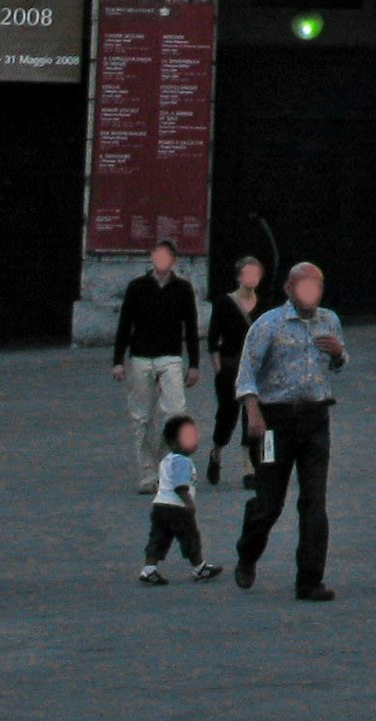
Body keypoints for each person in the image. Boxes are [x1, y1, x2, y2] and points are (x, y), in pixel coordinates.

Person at [231, 259, 347, 601]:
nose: (310, 293)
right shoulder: (269, 325)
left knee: (314, 502)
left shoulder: (330, 321)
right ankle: (248, 551)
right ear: (288, 289)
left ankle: (309, 580)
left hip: (315, 421)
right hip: (272, 425)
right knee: (270, 501)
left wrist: (340, 354)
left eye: (316, 286)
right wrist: (253, 413)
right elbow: (246, 374)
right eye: (303, 286)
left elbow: (339, 364)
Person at [110, 238, 201, 493]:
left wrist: (194, 363)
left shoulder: (183, 289)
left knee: (176, 414)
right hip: (140, 358)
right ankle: (147, 473)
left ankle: (165, 465)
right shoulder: (137, 287)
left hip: (170, 357)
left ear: (173, 260)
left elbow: (191, 327)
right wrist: (118, 360)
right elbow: (125, 325)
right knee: (142, 418)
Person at [201, 256, 266, 488]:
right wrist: (219, 370)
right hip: (230, 367)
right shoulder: (224, 303)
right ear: (239, 277)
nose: (252, 278)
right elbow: (212, 340)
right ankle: (216, 453)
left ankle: (250, 469)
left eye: (255, 273)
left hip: (256, 370)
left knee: (255, 419)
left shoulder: (264, 303)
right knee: (227, 418)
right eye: (247, 273)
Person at [140, 414, 218, 585]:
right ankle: (199, 567)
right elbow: (180, 486)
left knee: (159, 536)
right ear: (175, 443)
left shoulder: (166, 460)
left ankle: (149, 569)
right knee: (190, 536)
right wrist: (189, 503)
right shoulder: (182, 461)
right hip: (177, 507)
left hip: (160, 506)